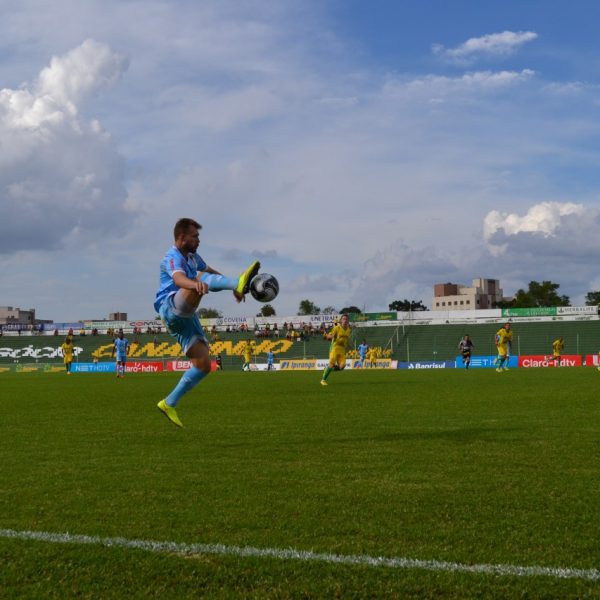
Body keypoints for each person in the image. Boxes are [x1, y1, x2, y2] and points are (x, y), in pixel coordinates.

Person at [155, 218, 260, 427]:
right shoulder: (172, 256)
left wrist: (233, 287)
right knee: (201, 279)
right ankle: (239, 281)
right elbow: (178, 280)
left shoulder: (193, 257)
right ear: (182, 237)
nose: (199, 240)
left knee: (203, 364)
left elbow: (210, 272)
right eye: (195, 236)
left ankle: (168, 403)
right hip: (170, 306)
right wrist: (195, 284)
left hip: (187, 316)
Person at [321, 314, 351, 386]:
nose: (345, 320)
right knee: (332, 363)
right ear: (341, 320)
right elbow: (330, 337)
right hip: (335, 348)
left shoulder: (349, 330)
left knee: (342, 366)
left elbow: (347, 340)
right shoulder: (337, 328)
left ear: (348, 321)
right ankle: (323, 380)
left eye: (346, 319)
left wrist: (349, 346)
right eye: (343, 319)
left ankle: (327, 369)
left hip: (342, 349)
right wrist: (328, 336)